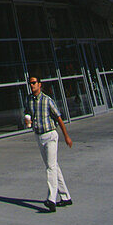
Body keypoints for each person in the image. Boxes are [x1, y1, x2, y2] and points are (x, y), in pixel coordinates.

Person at [24, 72, 73, 211]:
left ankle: (51, 199)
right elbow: (26, 112)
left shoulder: (47, 100)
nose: (32, 85)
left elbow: (59, 118)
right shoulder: (28, 100)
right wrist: (27, 119)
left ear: (40, 84)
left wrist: (66, 136)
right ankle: (65, 197)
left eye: (34, 83)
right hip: (39, 136)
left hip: (51, 135)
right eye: (30, 83)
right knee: (54, 166)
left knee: (50, 167)